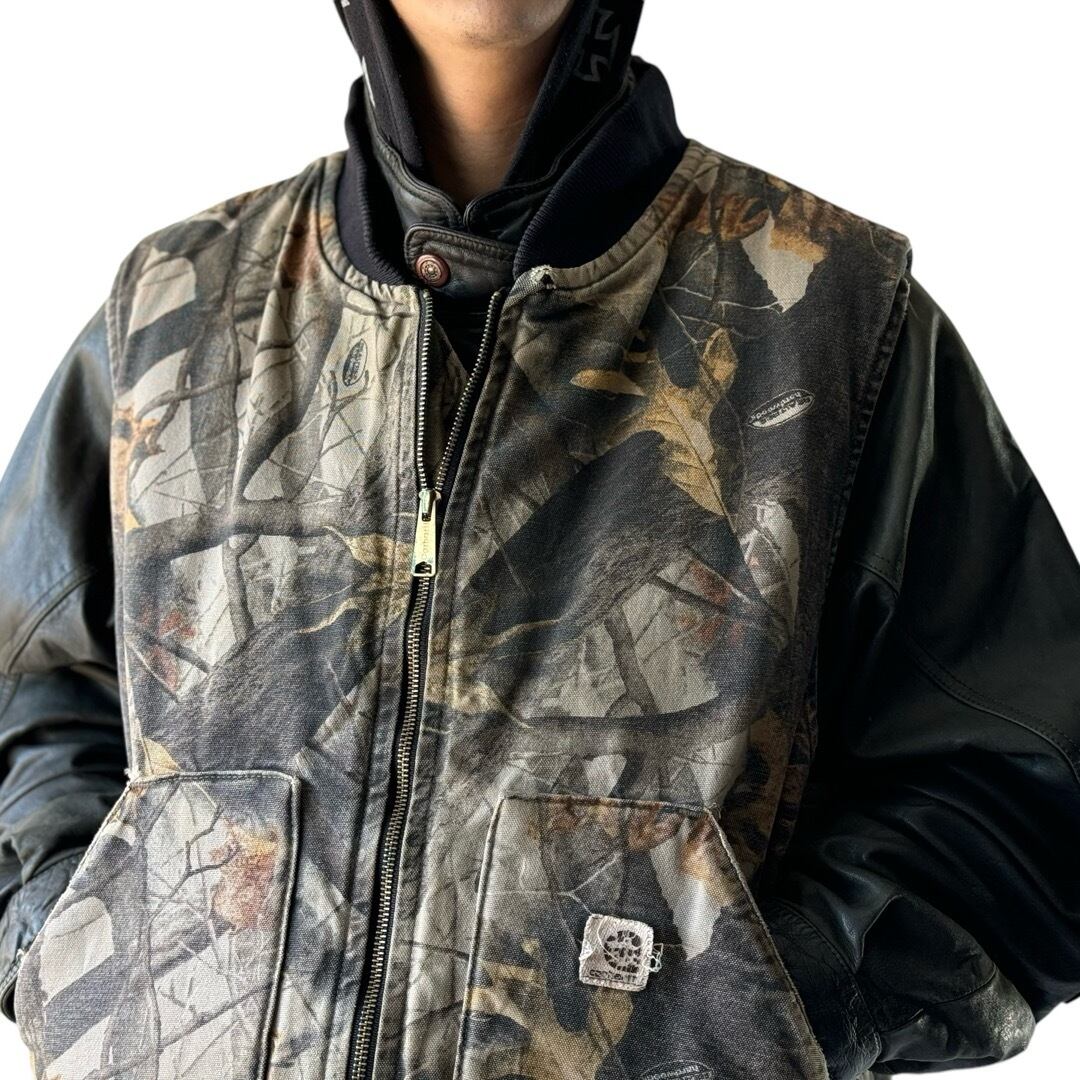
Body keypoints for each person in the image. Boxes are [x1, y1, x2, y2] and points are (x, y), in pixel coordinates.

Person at [0, 1, 1077, 1078]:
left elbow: (1028, 794)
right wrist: (76, 951)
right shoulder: (176, 314)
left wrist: (750, 1017)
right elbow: (30, 696)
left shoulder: (825, 314)